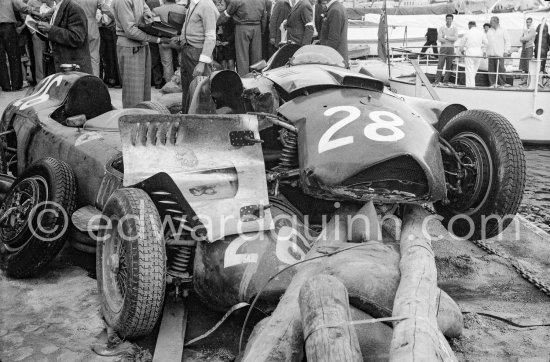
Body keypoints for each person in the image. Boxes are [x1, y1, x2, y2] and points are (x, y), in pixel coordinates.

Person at [111, 0, 171, 108]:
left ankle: (142, 120)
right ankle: (131, 122)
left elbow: (146, 9)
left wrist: (148, 16)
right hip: (130, 47)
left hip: (142, 45)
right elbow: (130, 31)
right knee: (133, 95)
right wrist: (157, 39)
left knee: (144, 93)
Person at [170, 0, 218, 112]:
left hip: (199, 53)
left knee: (201, 92)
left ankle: (202, 124)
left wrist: (202, 63)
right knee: (188, 90)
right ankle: (187, 120)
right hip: (188, 51)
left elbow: (211, 37)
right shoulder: (193, 3)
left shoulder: (206, 5)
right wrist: (181, 40)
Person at [36, 0, 93, 75]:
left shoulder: (74, 8)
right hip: (61, 66)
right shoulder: (57, 8)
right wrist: (41, 29)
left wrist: (50, 30)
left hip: (72, 68)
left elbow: (77, 38)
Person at [222, 0, 266, 75]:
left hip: (242, 27)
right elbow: (264, 18)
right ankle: (257, 78)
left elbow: (226, 15)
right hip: (257, 27)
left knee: (242, 56)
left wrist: (216, 22)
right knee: (257, 56)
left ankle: (244, 79)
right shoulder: (261, 1)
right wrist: (262, 31)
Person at [152, 0, 185, 83]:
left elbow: (154, 26)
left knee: (167, 64)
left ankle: (169, 84)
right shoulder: (183, 9)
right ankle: (181, 83)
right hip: (179, 39)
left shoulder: (156, 10)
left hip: (164, 40)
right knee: (182, 62)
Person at [0, 0, 29, 92]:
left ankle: (5, 86)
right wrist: (32, 9)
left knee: (0, 59)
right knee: (14, 56)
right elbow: (22, 6)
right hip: (8, 27)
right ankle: (16, 85)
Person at [319, 0, 347, 65]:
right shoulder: (336, 7)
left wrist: (324, 57)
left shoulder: (334, 10)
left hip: (334, 60)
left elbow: (333, 39)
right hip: (336, 57)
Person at [98, 0, 119, 87]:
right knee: (108, 56)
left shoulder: (109, 4)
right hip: (107, 31)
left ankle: (111, 79)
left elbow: (106, 20)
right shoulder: (106, 3)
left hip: (108, 31)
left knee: (109, 56)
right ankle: (111, 78)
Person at [459, 21, 486, 87]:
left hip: (470, 52)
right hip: (479, 53)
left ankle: (470, 85)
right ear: (475, 25)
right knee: (474, 70)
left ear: (469, 26)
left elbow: (462, 43)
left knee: (469, 70)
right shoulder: (481, 33)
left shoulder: (467, 32)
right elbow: (486, 42)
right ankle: (472, 84)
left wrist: (462, 50)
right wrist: (484, 51)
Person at [433, 14, 458, 86]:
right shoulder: (441, 28)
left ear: (452, 20)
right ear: (445, 19)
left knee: (449, 65)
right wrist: (450, 39)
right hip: (443, 48)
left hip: (451, 48)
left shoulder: (455, 29)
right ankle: (437, 81)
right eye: (447, 19)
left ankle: (445, 81)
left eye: (450, 19)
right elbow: (439, 39)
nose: (449, 20)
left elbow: (455, 38)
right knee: (440, 64)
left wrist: (446, 37)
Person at [486, 16, 510, 87]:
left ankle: (502, 83)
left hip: (500, 53)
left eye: (491, 21)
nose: (490, 22)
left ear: (496, 22)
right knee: (491, 70)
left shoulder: (503, 30)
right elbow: (486, 42)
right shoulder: (489, 31)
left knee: (501, 69)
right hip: (491, 53)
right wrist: (484, 51)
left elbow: (507, 41)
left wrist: (506, 51)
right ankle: (492, 83)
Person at [213, 0, 235, 70]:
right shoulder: (213, 17)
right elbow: (212, 32)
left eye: (222, 5)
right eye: (218, 5)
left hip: (229, 44)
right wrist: (216, 41)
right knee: (223, 64)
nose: (220, 7)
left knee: (231, 62)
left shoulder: (230, 18)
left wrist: (229, 41)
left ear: (226, 6)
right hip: (219, 45)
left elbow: (234, 31)